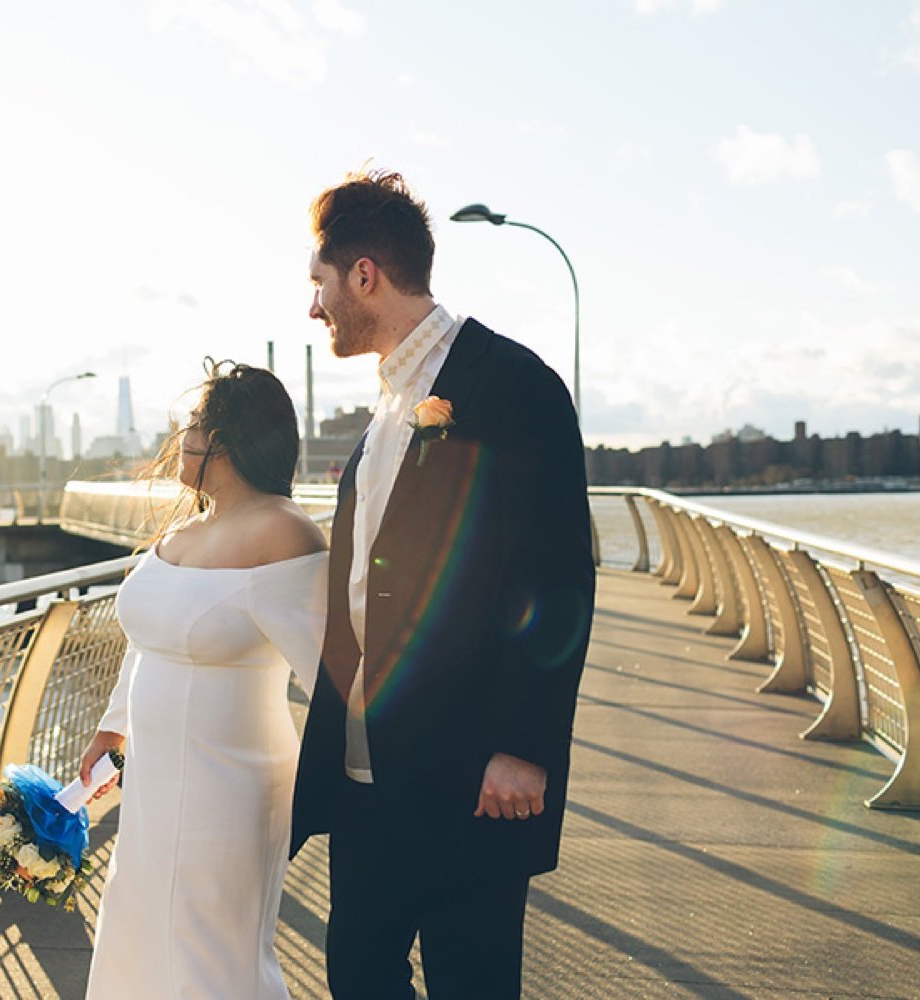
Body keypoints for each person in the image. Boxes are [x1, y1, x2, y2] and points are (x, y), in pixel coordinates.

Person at [291, 170, 595, 998]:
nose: (313, 309)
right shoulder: (386, 413)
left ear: (364, 276)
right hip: (368, 776)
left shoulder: (513, 385)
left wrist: (524, 748)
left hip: (473, 780)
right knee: (358, 974)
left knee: (472, 982)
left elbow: (557, 578)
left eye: (319, 286)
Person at [79, 360, 329, 1000]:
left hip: (232, 785)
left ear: (227, 439)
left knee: (214, 954)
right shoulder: (187, 528)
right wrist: (113, 728)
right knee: (139, 931)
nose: (181, 437)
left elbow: (334, 673)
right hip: (157, 782)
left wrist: (363, 790)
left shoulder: (284, 532)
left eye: (194, 424)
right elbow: (150, 642)